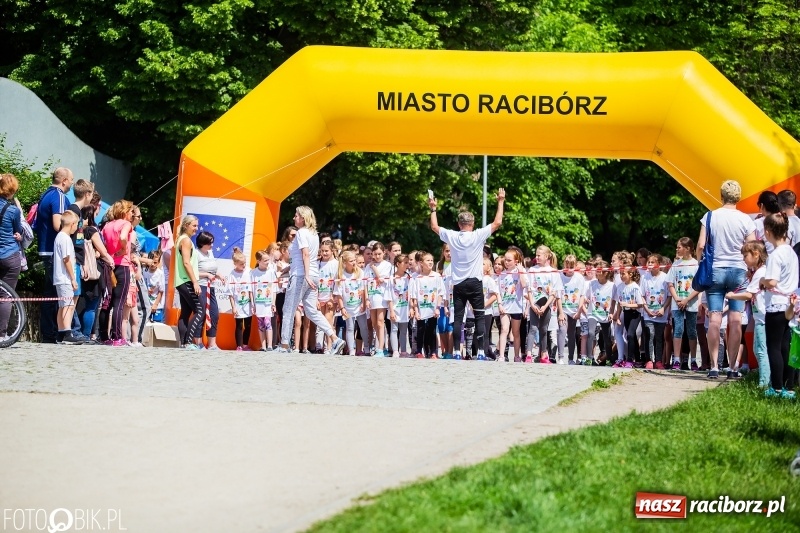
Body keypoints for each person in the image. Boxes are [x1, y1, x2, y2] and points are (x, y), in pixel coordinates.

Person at [428, 188, 505, 360]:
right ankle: (480, 353)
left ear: (458, 223)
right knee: (479, 316)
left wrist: (433, 208)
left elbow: (434, 226)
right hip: (475, 281)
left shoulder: (453, 236)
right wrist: (500, 201)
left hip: (459, 283)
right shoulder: (478, 235)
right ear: (473, 223)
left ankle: (456, 352)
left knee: (458, 318)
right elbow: (497, 222)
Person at [696, 180, 756, 379]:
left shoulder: (710, 216)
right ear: (738, 197)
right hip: (739, 271)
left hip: (714, 271)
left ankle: (713, 366)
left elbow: (701, 245)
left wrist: (700, 264)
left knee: (714, 318)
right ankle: (732, 368)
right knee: (736, 319)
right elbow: (752, 247)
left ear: (721, 196)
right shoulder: (746, 220)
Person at [277, 206, 345, 355]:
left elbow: (306, 254)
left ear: (303, 218)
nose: (294, 218)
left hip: (303, 276)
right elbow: (305, 257)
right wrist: (289, 269)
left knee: (288, 309)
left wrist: (305, 274)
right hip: (312, 274)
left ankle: (284, 345)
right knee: (312, 311)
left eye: (296, 215)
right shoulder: (314, 234)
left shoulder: (301, 232)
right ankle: (335, 338)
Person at [761, 213, 799, 397]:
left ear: (768, 232)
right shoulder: (791, 252)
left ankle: (775, 387)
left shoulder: (775, 255)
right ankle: (788, 386)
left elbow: (773, 282)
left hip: (776, 305)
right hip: (790, 304)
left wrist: (763, 280)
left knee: (773, 347)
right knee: (786, 346)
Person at [35, 167, 73, 343]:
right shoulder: (58, 196)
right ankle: (53, 333)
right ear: (64, 180)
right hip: (53, 251)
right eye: (71, 180)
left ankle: (48, 333)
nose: (72, 183)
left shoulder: (45, 195)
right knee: (56, 293)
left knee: (49, 293)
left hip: (45, 248)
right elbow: (58, 223)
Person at [726, 241, 768, 387]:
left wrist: (732, 296)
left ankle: (764, 383)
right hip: (759, 317)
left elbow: (749, 295)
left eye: (745, 255)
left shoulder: (761, 272)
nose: (743, 259)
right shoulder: (758, 272)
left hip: (762, 318)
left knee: (761, 351)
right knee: (758, 348)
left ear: (756, 254)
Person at [100, 200, 135, 346]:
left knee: (107, 303)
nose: (132, 214)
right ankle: (117, 337)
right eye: (131, 211)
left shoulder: (107, 225)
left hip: (109, 265)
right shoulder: (126, 224)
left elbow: (101, 242)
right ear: (125, 211)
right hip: (122, 265)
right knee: (119, 303)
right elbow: (122, 237)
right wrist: (123, 248)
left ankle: (104, 336)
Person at [65, 178, 95, 342]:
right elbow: (75, 240)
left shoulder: (77, 211)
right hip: (74, 259)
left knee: (74, 297)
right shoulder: (74, 212)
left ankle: (72, 330)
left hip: (77, 258)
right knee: (72, 297)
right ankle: (70, 331)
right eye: (91, 194)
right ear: (87, 194)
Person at [78, 205, 113, 339]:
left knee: (81, 303)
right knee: (91, 306)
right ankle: (86, 335)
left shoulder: (79, 230)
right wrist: (109, 259)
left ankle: (80, 332)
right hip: (94, 271)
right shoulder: (92, 230)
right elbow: (102, 250)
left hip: (82, 269)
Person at [668, 237, 701, 370]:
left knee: (692, 331)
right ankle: (676, 360)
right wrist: (677, 299)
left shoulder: (696, 264)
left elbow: (699, 286)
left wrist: (687, 300)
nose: (677, 249)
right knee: (678, 330)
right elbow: (670, 284)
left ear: (687, 248)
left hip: (691, 303)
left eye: (679, 247)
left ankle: (693, 360)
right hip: (677, 303)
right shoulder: (676, 264)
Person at [526, 245, 563, 364]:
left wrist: (545, 306)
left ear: (546, 256)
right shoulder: (532, 270)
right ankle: (528, 354)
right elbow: (530, 289)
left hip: (546, 304)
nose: (536, 257)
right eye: (536, 255)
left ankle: (543, 354)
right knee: (533, 327)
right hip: (534, 302)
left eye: (539, 255)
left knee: (543, 329)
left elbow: (554, 293)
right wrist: (532, 304)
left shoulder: (553, 272)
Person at [173, 215, 204, 349]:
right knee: (200, 310)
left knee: (186, 312)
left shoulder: (181, 239)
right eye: (194, 226)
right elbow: (186, 262)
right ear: (186, 226)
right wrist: (195, 282)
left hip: (181, 281)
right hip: (186, 280)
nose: (196, 229)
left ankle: (184, 343)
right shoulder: (185, 240)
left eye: (197, 225)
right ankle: (188, 342)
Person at [0, 174, 23, 342]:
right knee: (5, 296)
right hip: (9, 255)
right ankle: (1, 334)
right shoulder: (13, 210)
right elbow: (18, 230)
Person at [53, 210, 82, 344]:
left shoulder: (59, 236)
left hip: (59, 278)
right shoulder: (65, 238)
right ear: (72, 224)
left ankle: (61, 333)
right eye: (76, 225)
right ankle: (67, 333)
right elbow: (67, 259)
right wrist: (72, 278)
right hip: (64, 278)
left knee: (63, 305)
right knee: (68, 305)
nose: (76, 228)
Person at [410, 251, 444, 358]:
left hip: (433, 309)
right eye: (427, 260)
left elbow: (440, 293)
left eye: (431, 260)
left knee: (432, 329)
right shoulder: (417, 278)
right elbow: (414, 296)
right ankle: (419, 351)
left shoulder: (437, 276)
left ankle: (433, 352)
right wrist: (415, 310)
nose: (430, 263)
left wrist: (438, 308)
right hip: (421, 309)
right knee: (420, 330)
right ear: (421, 263)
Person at [496, 248, 527, 362]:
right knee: (504, 329)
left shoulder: (520, 272)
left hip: (516, 307)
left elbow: (524, 285)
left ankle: (517, 356)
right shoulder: (502, 274)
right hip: (504, 306)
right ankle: (501, 356)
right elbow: (498, 291)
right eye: (506, 260)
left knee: (516, 332)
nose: (506, 262)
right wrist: (500, 304)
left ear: (516, 261)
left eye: (509, 260)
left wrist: (520, 272)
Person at [613, 258, 644, 369]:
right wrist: (617, 316)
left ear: (630, 274)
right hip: (625, 314)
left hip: (635, 314)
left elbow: (640, 304)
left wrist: (628, 305)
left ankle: (629, 360)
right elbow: (619, 303)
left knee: (630, 334)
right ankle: (638, 359)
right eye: (620, 274)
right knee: (632, 337)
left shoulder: (635, 287)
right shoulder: (620, 287)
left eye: (624, 274)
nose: (621, 276)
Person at [641, 254, 670, 369]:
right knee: (649, 334)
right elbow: (642, 295)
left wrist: (663, 308)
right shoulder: (644, 277)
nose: (649, 264)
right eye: (648, 262)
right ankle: (649, 360)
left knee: (659, 336)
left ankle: (658, 360)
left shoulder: (665, 277)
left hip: (661, 313)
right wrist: (647, 309)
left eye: (652, 262)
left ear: (659, 264)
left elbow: (669, 296)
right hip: (648, 313)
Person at [337, 250, 368, 356]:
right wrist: (342, 308)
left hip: (359, 305)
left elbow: (363, 289)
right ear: (345, 262)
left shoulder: (360, 272)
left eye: (355, 260)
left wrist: (364, 302)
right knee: (349, 328)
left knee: (363, 327)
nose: (354, 262)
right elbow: (339, 294)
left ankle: (366, 348)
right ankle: (351, 350)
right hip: (347, 307)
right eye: (351, 261)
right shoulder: (340, 275)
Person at [195, 231, 221, 349]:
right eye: (210, 243)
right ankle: (198, 343)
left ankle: (212, 344)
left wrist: (219, 275)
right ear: (202, 243)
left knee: (214, 314)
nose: (212, 245)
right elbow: (193, 272)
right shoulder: (196, 253)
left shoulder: (210, 253)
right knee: (201, 315)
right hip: (201, 286)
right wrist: (206, 275)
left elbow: (213, 269)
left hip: (211, 287)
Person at [366, 241, 392, 357]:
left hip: (381, 297)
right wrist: (366, 298)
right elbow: (365, 283)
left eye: (379, 254)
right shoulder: (368, 266)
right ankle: (381, 345)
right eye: (374, 254)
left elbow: (381, 279)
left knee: (381, 322)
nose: (376, 256)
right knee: (374, 323)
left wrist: (374, 268)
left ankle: (380, 349)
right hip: (371, 296)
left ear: (384, 253)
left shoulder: (387, 265)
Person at [559, 254, 585, 365]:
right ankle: (560, 357)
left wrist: (579, 312)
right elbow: (558, 296)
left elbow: (582, 296)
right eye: (567, 266)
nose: (570, 269)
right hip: (563, 308)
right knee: (562, 330)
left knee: (572, 334)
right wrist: (560, 312)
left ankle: (570, 358)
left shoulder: (579, 278)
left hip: (574, 310)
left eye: (572, 266)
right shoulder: (559, 276)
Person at [587, 261, 614, 365]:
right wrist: (585, 300)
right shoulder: (591, 283)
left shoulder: (612, 286)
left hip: (605, 314)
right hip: (592, 313)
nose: (596, 272)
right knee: (590, 333)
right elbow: (586, 296)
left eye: (599, 271)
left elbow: (614, 301)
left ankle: (608, 359)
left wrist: (612, 312)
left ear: (606, 273)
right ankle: (590, 358)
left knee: (607, 337)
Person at [227, 247, 254, 351]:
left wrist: (253, 304)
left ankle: (245, 344)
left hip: (248, 304)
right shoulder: (232, 275)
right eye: (241, 264)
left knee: (248, 325)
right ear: (235, 264)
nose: (244, 266)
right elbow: (230, 293)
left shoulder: (249, 271)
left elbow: (252, 288)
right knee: (239, 325)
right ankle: (239, 345)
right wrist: (233, 307)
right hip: (238, 304)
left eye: (245, 263)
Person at [251, 249, 277, 351]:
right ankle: (263, 346)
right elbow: (251, 290)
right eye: (265, 260)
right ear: (258, 261)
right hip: (258, 304)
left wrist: (273, 303)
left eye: (268, 260)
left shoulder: (271, 272)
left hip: (267, 303)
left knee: (267, 322)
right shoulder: (253, 273)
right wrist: (253, 304)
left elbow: (273, 289)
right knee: (260, 324)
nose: (268, 262)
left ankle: (270, 345)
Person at [388, 253, 412, 357]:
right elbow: (389, 296)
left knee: (403, 330)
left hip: (405, 308)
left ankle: (403, 350)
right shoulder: (391, 278)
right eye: (405, 262)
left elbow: (411, 294)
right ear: (398, 264)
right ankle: (395, 351)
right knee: (394, 329)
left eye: (408, 262)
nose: (408, 264)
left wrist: (411, 308)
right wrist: (391, 310)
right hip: (394, 308)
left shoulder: (409, 277)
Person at [143, 250, 166, 323]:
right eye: (151, 262)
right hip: (146, 304)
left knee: (157, 323)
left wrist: (155, 304)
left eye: (155, 262)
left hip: (156, 305)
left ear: (158, 262)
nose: (153, 264)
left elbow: (161, 291)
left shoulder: (160, 274)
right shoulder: (144, 271)